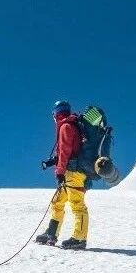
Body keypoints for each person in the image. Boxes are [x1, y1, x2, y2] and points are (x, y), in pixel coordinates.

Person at [36, 100, 89, 249]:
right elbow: (68, 152)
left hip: (73, 173)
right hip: (70, 172)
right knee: (57, 202)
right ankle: (51, 233)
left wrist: (59, 172)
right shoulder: (70, 125)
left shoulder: (66, 127)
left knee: (77, 205)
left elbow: (65, 153)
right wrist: (52, 162)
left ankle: (79, 239)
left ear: (56, 113)